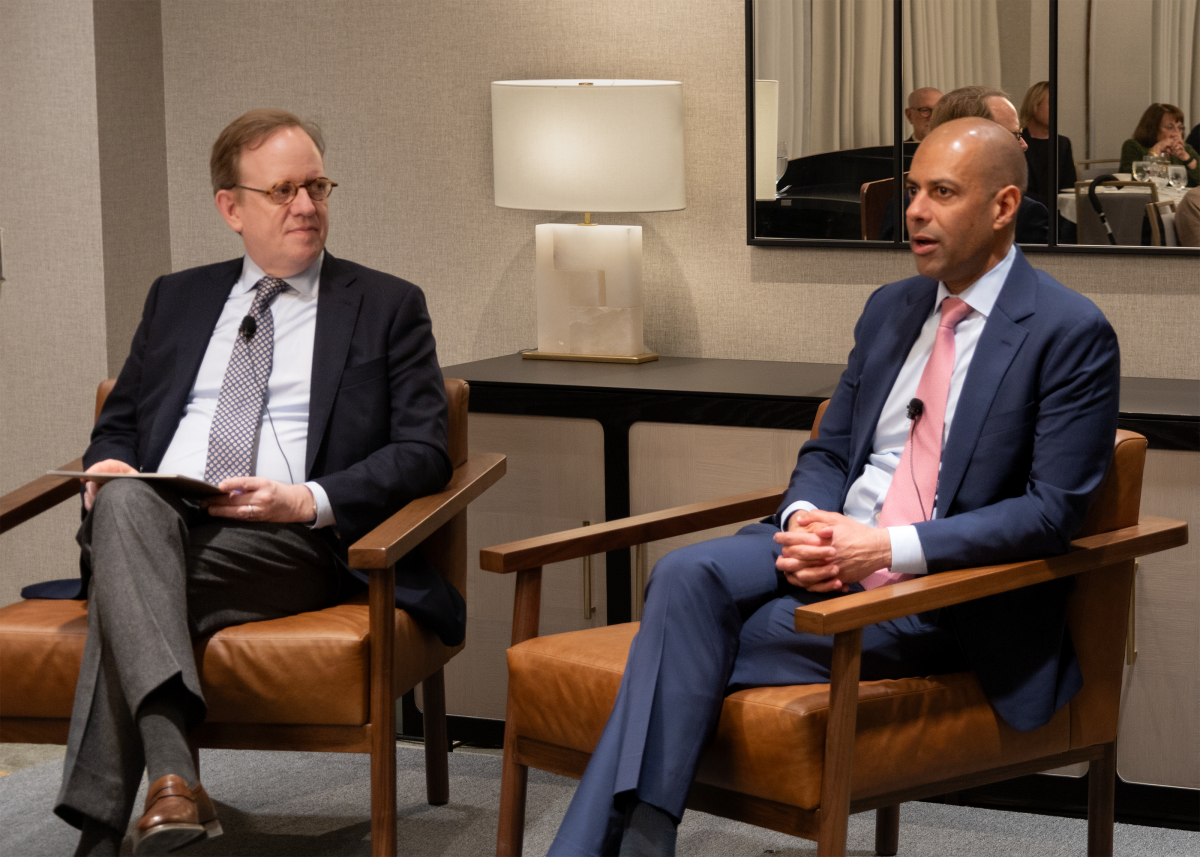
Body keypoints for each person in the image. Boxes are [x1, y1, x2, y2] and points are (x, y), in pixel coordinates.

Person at [547, 117, 1119, 857]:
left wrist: (882, 545)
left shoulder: (1068, 331)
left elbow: (1051, 513)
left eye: (941, 193)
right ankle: (640, 843)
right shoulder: (891, 308)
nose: (913, 211)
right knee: (684, 574)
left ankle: (625, 842)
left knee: (685, 636)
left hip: (938, 593)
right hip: (829, 548)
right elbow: (830, 448)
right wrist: (808, 518)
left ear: (1004, 206)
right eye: (913, 190)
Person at [31, 109, 460, 857]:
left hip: (287, 542)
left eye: (317, 186)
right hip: (158, 516)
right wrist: (105, 459)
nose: (307, 206)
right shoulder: (178, 298)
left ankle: (111, 828)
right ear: (231, 206)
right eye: (284, 190)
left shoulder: (388, 304)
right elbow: (122, 424)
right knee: (129, 498)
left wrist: (309, 499)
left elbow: (424, 451)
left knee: (127, 584)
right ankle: (171, 781)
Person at [884, 86, 1050, 244]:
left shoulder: (904, 203)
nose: (1023, 144)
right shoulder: (1021, 212)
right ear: (971, 139)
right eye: (1013, 135)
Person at [1019, 81, 1077, 211]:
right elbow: (1018, 190)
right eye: (1051, 103)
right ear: (1034, 105)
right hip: (1027, 213)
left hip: (1059, 216)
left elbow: (1069, 188)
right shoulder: (1018, 141)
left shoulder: (1062, 144)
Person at [1120, 103, 1200, 186]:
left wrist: (1188, 159)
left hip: (1180, 198)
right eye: (1169, 127)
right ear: (1153, 128)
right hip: (1148, 198)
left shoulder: (1186, 149)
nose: (1176, 133)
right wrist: (1154, 153)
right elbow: (1131, 182)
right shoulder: (1133, 146)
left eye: (1180, 128)